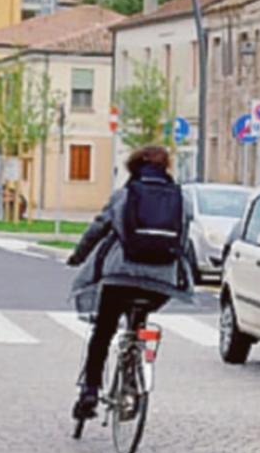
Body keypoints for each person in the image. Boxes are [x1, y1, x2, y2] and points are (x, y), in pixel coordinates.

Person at [66, 146, 194, 421]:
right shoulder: (181, 199)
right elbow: (183, 241)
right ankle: (133, 380)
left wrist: (78, 256)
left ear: (133, 167)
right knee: (138, 320)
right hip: (161, 280)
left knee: (103, 331)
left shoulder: (124, 195)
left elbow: (97, 229)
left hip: (120, 276)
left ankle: (89, 392)